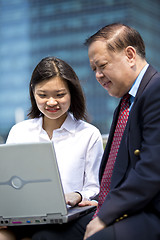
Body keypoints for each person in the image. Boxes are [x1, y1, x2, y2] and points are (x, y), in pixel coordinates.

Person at [32, 23, 160, 240]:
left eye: (102, 66)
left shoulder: (155, 92)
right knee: (45, 235)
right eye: (94, 70)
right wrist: (98, 202)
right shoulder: (126, 103)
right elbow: (122, 172)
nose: (98, 76)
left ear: (130, 55)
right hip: (123, 207)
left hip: (149, 212)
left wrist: (105, 214)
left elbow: (151, 170)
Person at [2, 56, 103, 239]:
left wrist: (78, 196)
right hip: (24, 214)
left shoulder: (89, 134)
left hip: (69, 216)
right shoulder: (19, 131)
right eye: (43, 95)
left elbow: (94, 187)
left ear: (72, 93)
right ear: (33, 93)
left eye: (59, 95)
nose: (51, 102)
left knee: (44, 236)